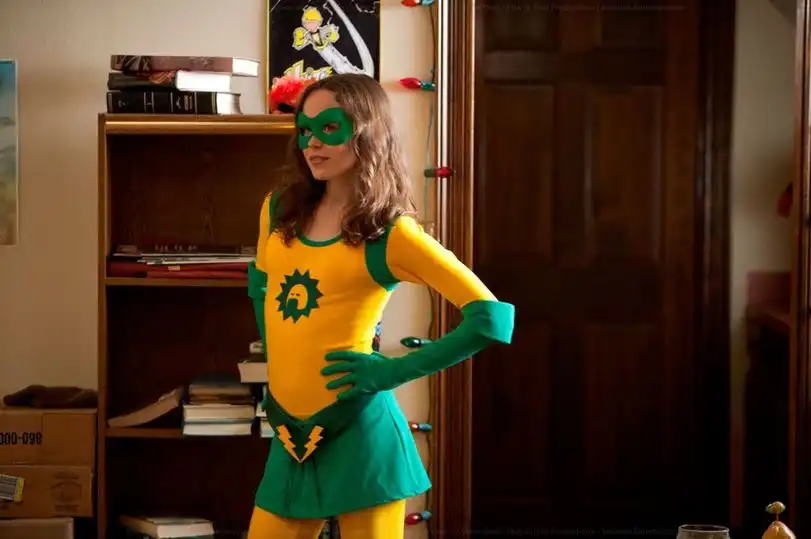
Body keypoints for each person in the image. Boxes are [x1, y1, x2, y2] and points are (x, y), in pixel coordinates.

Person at [246, 73, 515, 539]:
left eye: (330, 127)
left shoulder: (391, 233)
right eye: (304, 130)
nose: (313, 143)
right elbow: (261, 289)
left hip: (362, 437)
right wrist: (281, 370)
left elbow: (490, 319)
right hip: (291, 437)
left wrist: (390, 373)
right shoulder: (278, 210)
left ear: (367, 130)